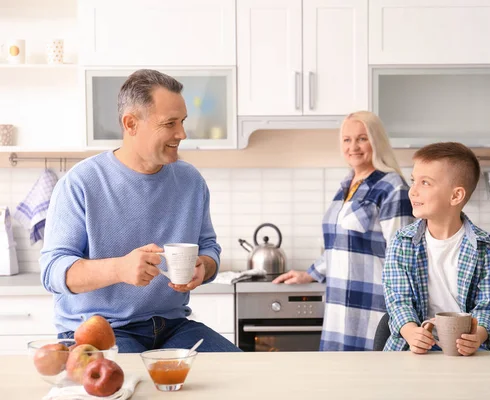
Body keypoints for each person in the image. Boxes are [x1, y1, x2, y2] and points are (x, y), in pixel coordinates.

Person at [40, 69, 240, 353]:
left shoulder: (190, 181)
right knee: (133, 391)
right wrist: (119, 269)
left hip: (174, 327)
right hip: (102, 329)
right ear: (131, 123)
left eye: (182, 122)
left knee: (244, 376)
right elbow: (52, 272)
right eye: (170, 123)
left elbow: (208, 247)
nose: (181, 134)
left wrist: (204, 266)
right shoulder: (81, 183)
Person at [273, 111, 414, 351]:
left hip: (373, 306)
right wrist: (310, 274)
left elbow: (402, 255)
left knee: (372, 380)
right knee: (338, 380)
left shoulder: (392, 187)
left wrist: (403, 312)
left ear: (376, 141)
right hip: (339, 306)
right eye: (347, 140)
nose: (353, 147)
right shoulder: (346, 186)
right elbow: (339, 245)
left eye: (362, 138)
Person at [383, 142, 490, 355]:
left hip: (468, 354)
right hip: (412, 351)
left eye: (425, 183)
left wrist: (477, 336)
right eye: (414, 181)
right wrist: (411, 332)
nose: (413, 191)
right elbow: (398, 301)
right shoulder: (401, 242)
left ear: (456, 196)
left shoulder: (486, 247)